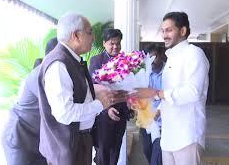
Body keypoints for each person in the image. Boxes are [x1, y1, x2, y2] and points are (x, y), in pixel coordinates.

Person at [37, 13, 126, 165]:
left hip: (79, 140)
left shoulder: (72, 60)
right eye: (90, 32)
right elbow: (65, 113)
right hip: (67, 146)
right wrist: (100, 104)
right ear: (76, 35)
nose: (93, 38)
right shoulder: (59, 64)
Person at [134, 12, 209, 165]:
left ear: (183, 31)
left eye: (169, 30)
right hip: (168, 135)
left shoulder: (194, 54)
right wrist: (159, 109)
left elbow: (193, 92)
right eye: (162, 31)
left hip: (187, 135)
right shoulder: (171, 58)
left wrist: (156, 93)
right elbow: (171, 90)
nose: (164, 35)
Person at [1, 37, 58, 165]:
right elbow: (60, 110)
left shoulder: (57, 73)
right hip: (19, 137)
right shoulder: (41, 74)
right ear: (55, 54)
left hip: (37, 139)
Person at [89, 28, 130, 165]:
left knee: (116, 149)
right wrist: (106, 108)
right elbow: (92, 89)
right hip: (103, 114)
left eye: (118, 43)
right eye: (112, 43)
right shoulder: (96, 61)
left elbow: (130, 84)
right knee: (103, 152)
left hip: (121, 112)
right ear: (104, 43)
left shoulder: (126, 61)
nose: (115, 47)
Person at [140, 44, 166, 165]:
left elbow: (169, 96)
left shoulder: (168, 72)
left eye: (154, 57)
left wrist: (159, 111)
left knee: (157, 154)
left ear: (160, 56)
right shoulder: (143, 73)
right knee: (147, 150)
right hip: (146, 120)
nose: (152, 61)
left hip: (162, 121)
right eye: (149, 58)